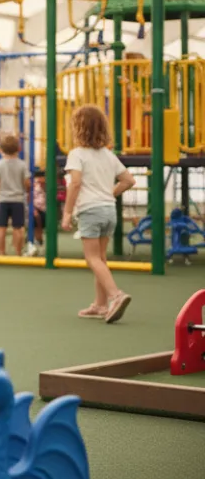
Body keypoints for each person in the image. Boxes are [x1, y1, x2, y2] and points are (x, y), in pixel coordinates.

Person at [61, 104, 135, 323]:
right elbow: (128, 181)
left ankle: (115, 295)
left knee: (92, 258)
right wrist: (109, 193)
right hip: (108, 210)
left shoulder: (76, 154)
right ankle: (100, 305)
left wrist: (67, 213)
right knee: (101, 258)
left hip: (90, 211)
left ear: (78, 129)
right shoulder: (108, 155)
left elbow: (75, 184)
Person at [0, 133, 29, 256]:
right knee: (18, 227)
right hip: (18, 199)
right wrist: (26, 189)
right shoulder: (22, 165)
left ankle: (1, 252)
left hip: (3, 199)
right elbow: (27, 183)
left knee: (1, 227)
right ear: (19, 148)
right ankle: (18, 252)